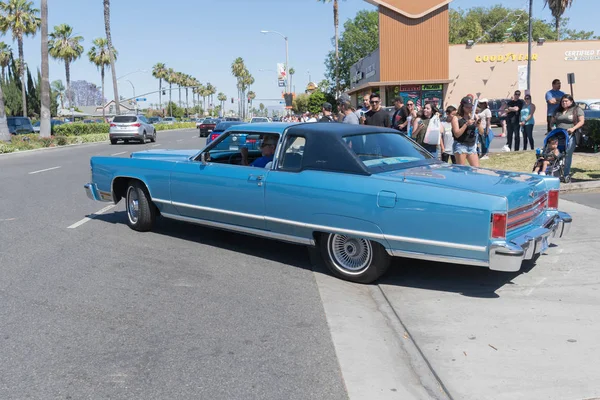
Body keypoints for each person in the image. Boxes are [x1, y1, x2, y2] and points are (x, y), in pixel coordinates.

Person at [552, 94, 585, 180]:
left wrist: (573, 128)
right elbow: (552, 121)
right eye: (563, 101)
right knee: (555, 152)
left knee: (568, 154)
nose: (564, 103)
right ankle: (557, 171)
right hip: (558, 134)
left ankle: (566, 174)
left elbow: (581, 121)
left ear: (571, 101)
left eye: (566, 101)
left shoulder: (576, 110)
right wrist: (552, 127)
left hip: (571, 134)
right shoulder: (557, 110)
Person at [451, 97, 480, 167]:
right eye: (467, 107)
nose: (469, 109)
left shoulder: (472, 116)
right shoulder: (456, 118)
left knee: (476, 169)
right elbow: (457, 134)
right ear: (462, 107)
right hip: (461, 145)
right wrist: (466, 124)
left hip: (472, 145)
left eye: (471, 107)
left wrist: (478, 123)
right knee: (461, 169)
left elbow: (481, 132)